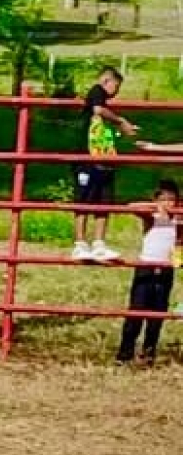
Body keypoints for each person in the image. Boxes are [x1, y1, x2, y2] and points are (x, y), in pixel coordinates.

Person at [72, 66, 137, 263]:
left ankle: (99, 244)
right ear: (106, 81)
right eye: (116, 86)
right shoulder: (97, 92)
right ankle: (80, 244)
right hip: (87, 156)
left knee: (104, 201)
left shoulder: (105, 105)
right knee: (84, 199)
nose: (116, 92)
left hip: (104, 158)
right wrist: (121, 121)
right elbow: (98, 109)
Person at [114, 180, 180, 366]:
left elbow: (178, 244)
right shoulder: (151, 216)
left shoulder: (178, 219)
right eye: (164, 199)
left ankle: (148, 353)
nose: (168, 203)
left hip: (166, 270)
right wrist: (157, 206)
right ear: (156, 200)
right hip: (146, 267)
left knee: (157, 316)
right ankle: (124, 354)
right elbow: (131, 206)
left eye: (172, 200)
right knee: (136, 312)